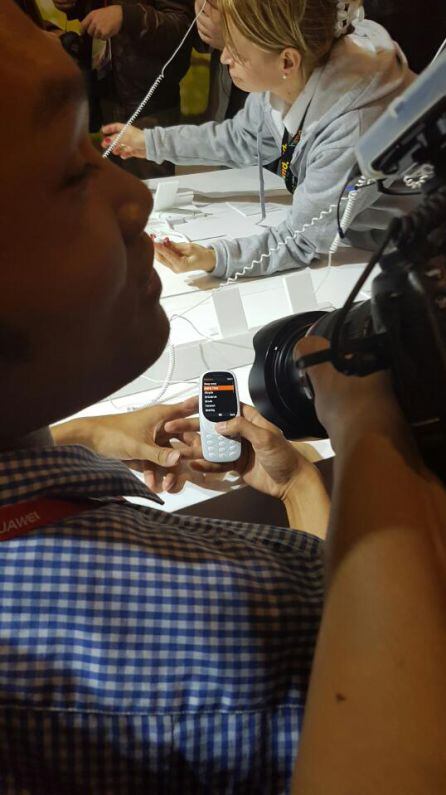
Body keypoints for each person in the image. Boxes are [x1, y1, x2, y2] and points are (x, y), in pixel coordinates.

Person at [0, 2, 329, 791]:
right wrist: (311, 476)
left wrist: (84, 433)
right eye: (75, 171)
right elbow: (375, 654)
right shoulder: (234, 622)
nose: (138, 199)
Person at [102, 0, 415, 283]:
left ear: (286, 62)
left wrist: (215, 258)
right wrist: (150, 142)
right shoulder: (296, 71)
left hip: (396, 254)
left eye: (237, 52)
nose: (224, 57)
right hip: (354, 241)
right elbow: (244, 137)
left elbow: (303, 238)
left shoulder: (353, 128)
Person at [53, 0, 195, 176]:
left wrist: (127, 17)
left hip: (149, 101)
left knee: (148, 193)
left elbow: (185, 27)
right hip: (106, 90)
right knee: (116, 192)